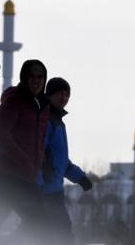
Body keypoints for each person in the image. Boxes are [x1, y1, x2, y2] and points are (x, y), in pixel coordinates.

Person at [0, 59, 50, 244]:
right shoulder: (15, 100)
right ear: (24, 78)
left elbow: (37, 139)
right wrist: (23, 160)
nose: (36, 80)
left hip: (26, 178)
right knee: (39, 223)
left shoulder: (43, 105)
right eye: (31, 76)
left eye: (40, 77)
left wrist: (43, 161)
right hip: (7, 177)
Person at [37, 77, 93, 245]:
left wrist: (80, 178)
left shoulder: (59, 123)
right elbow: (38, 150)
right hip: (42, 190)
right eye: (59, 94)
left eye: (67, 94)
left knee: (51, 232)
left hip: (54, 190)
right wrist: (42, 173)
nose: (64, 98)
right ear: (49, 95)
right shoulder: (45, 120)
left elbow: (61, 161)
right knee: (55, 232)